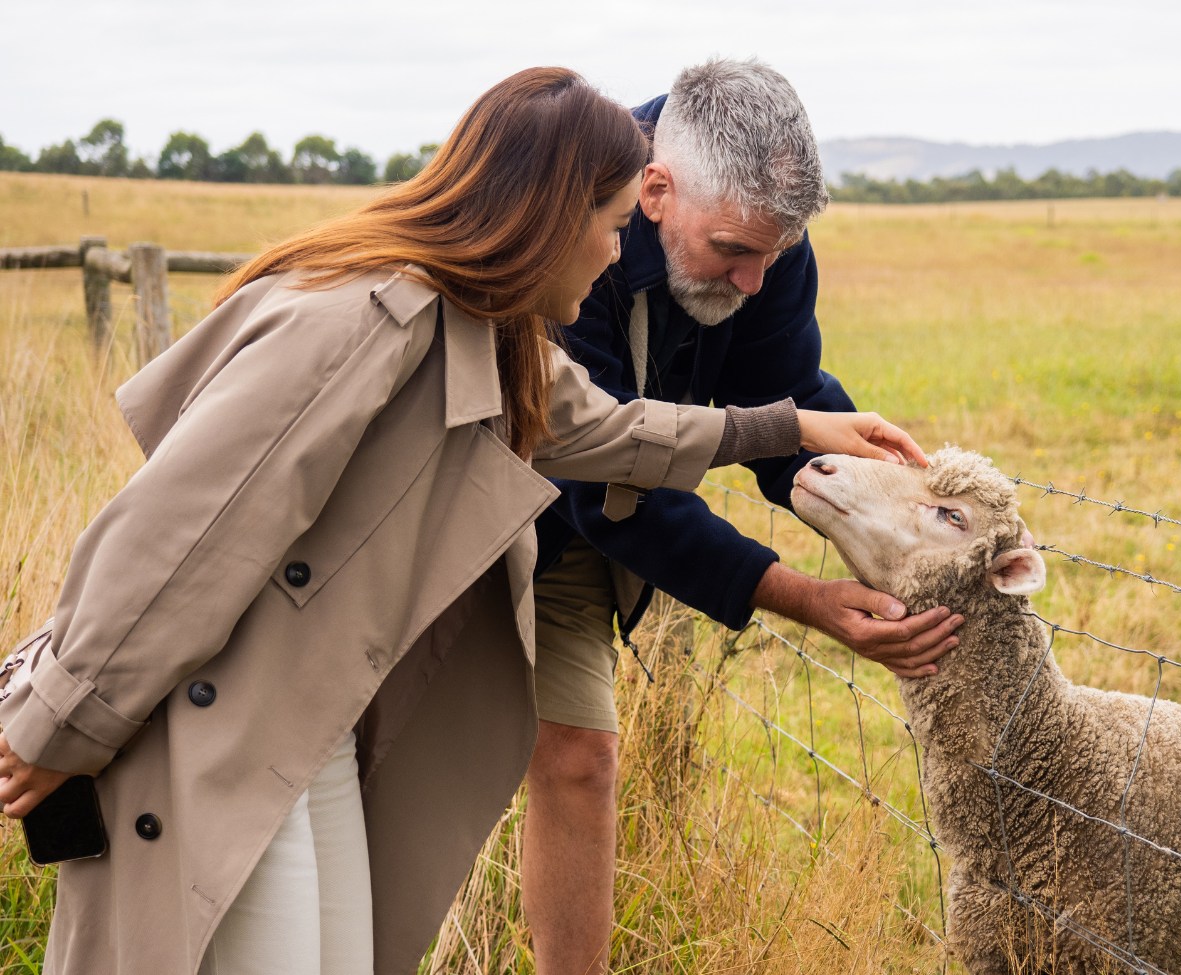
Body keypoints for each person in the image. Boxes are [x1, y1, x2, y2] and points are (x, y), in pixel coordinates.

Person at [0, 67, 924, 975]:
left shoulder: (494, 328)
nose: (613, 256)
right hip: (223, 724)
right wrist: (58, 725)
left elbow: (605, 427)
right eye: (606, 230)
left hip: (316, 720)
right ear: (564, 215)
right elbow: (171, 536)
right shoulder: (361, 320)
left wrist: (794, 425)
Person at [523, 59, 964, 974]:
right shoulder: (562, 223)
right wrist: (800, 595)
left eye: (777, 252)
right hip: (492, 502)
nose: (756, 280)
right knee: (422, 762)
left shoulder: (764, 249)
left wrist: (905, 513)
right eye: (733, 251)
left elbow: (780, 401)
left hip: (591, 517)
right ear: (654, 192)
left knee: (578, 755)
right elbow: (598, 473)